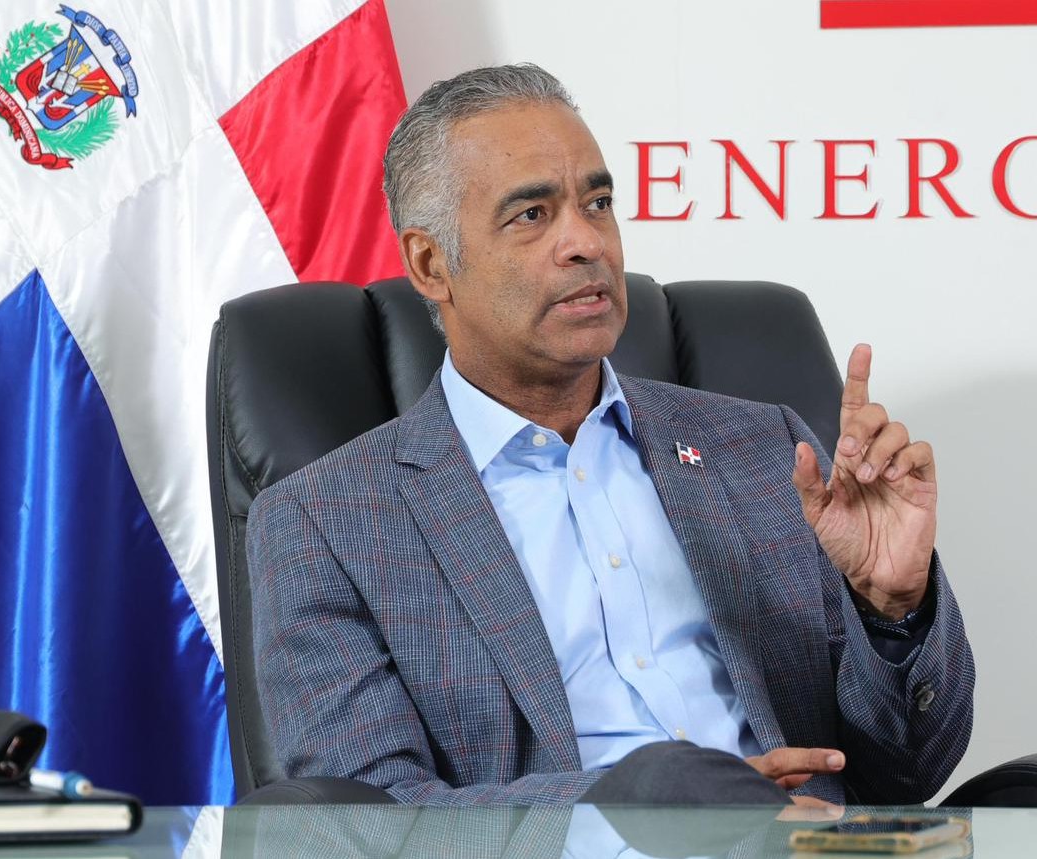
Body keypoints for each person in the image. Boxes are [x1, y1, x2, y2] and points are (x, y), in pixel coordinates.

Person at [247, 64, 974, 806]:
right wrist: (650, 807)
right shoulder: (327, 521)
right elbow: (371, 818)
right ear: (432, 264)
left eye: (598, 203)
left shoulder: (765, 450)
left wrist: (892, 609)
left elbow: (905, 774)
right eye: (531, 215)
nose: (585, 242)